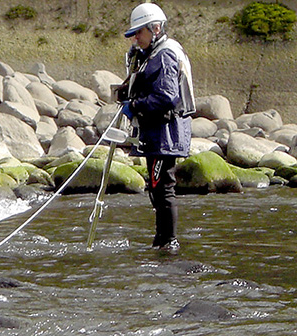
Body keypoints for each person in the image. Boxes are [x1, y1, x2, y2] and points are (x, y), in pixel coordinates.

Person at [115, 2, 194, 252]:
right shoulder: (152, 54)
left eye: (140, 32)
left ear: (156, 28)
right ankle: (161, 241)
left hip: (166, 133)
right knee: (157, 187)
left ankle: (168, 242)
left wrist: (135, 106)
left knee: (163, 187)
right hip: (158, 133)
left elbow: (167, 97)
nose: (136, 38)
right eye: (134, 33)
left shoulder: (165, 54)